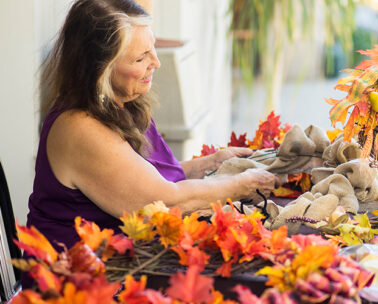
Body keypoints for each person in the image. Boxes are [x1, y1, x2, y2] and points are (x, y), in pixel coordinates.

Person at [27, 0, 279, 252]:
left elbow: (139, 178)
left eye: (153, 48)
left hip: (128, 259)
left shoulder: (120, 102)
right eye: (140, 58)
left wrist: (209, 164)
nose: (156, 63)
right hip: (81, 278)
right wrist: (241, 184)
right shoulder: (79, 128)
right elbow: (161, 202)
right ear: (99, 69)